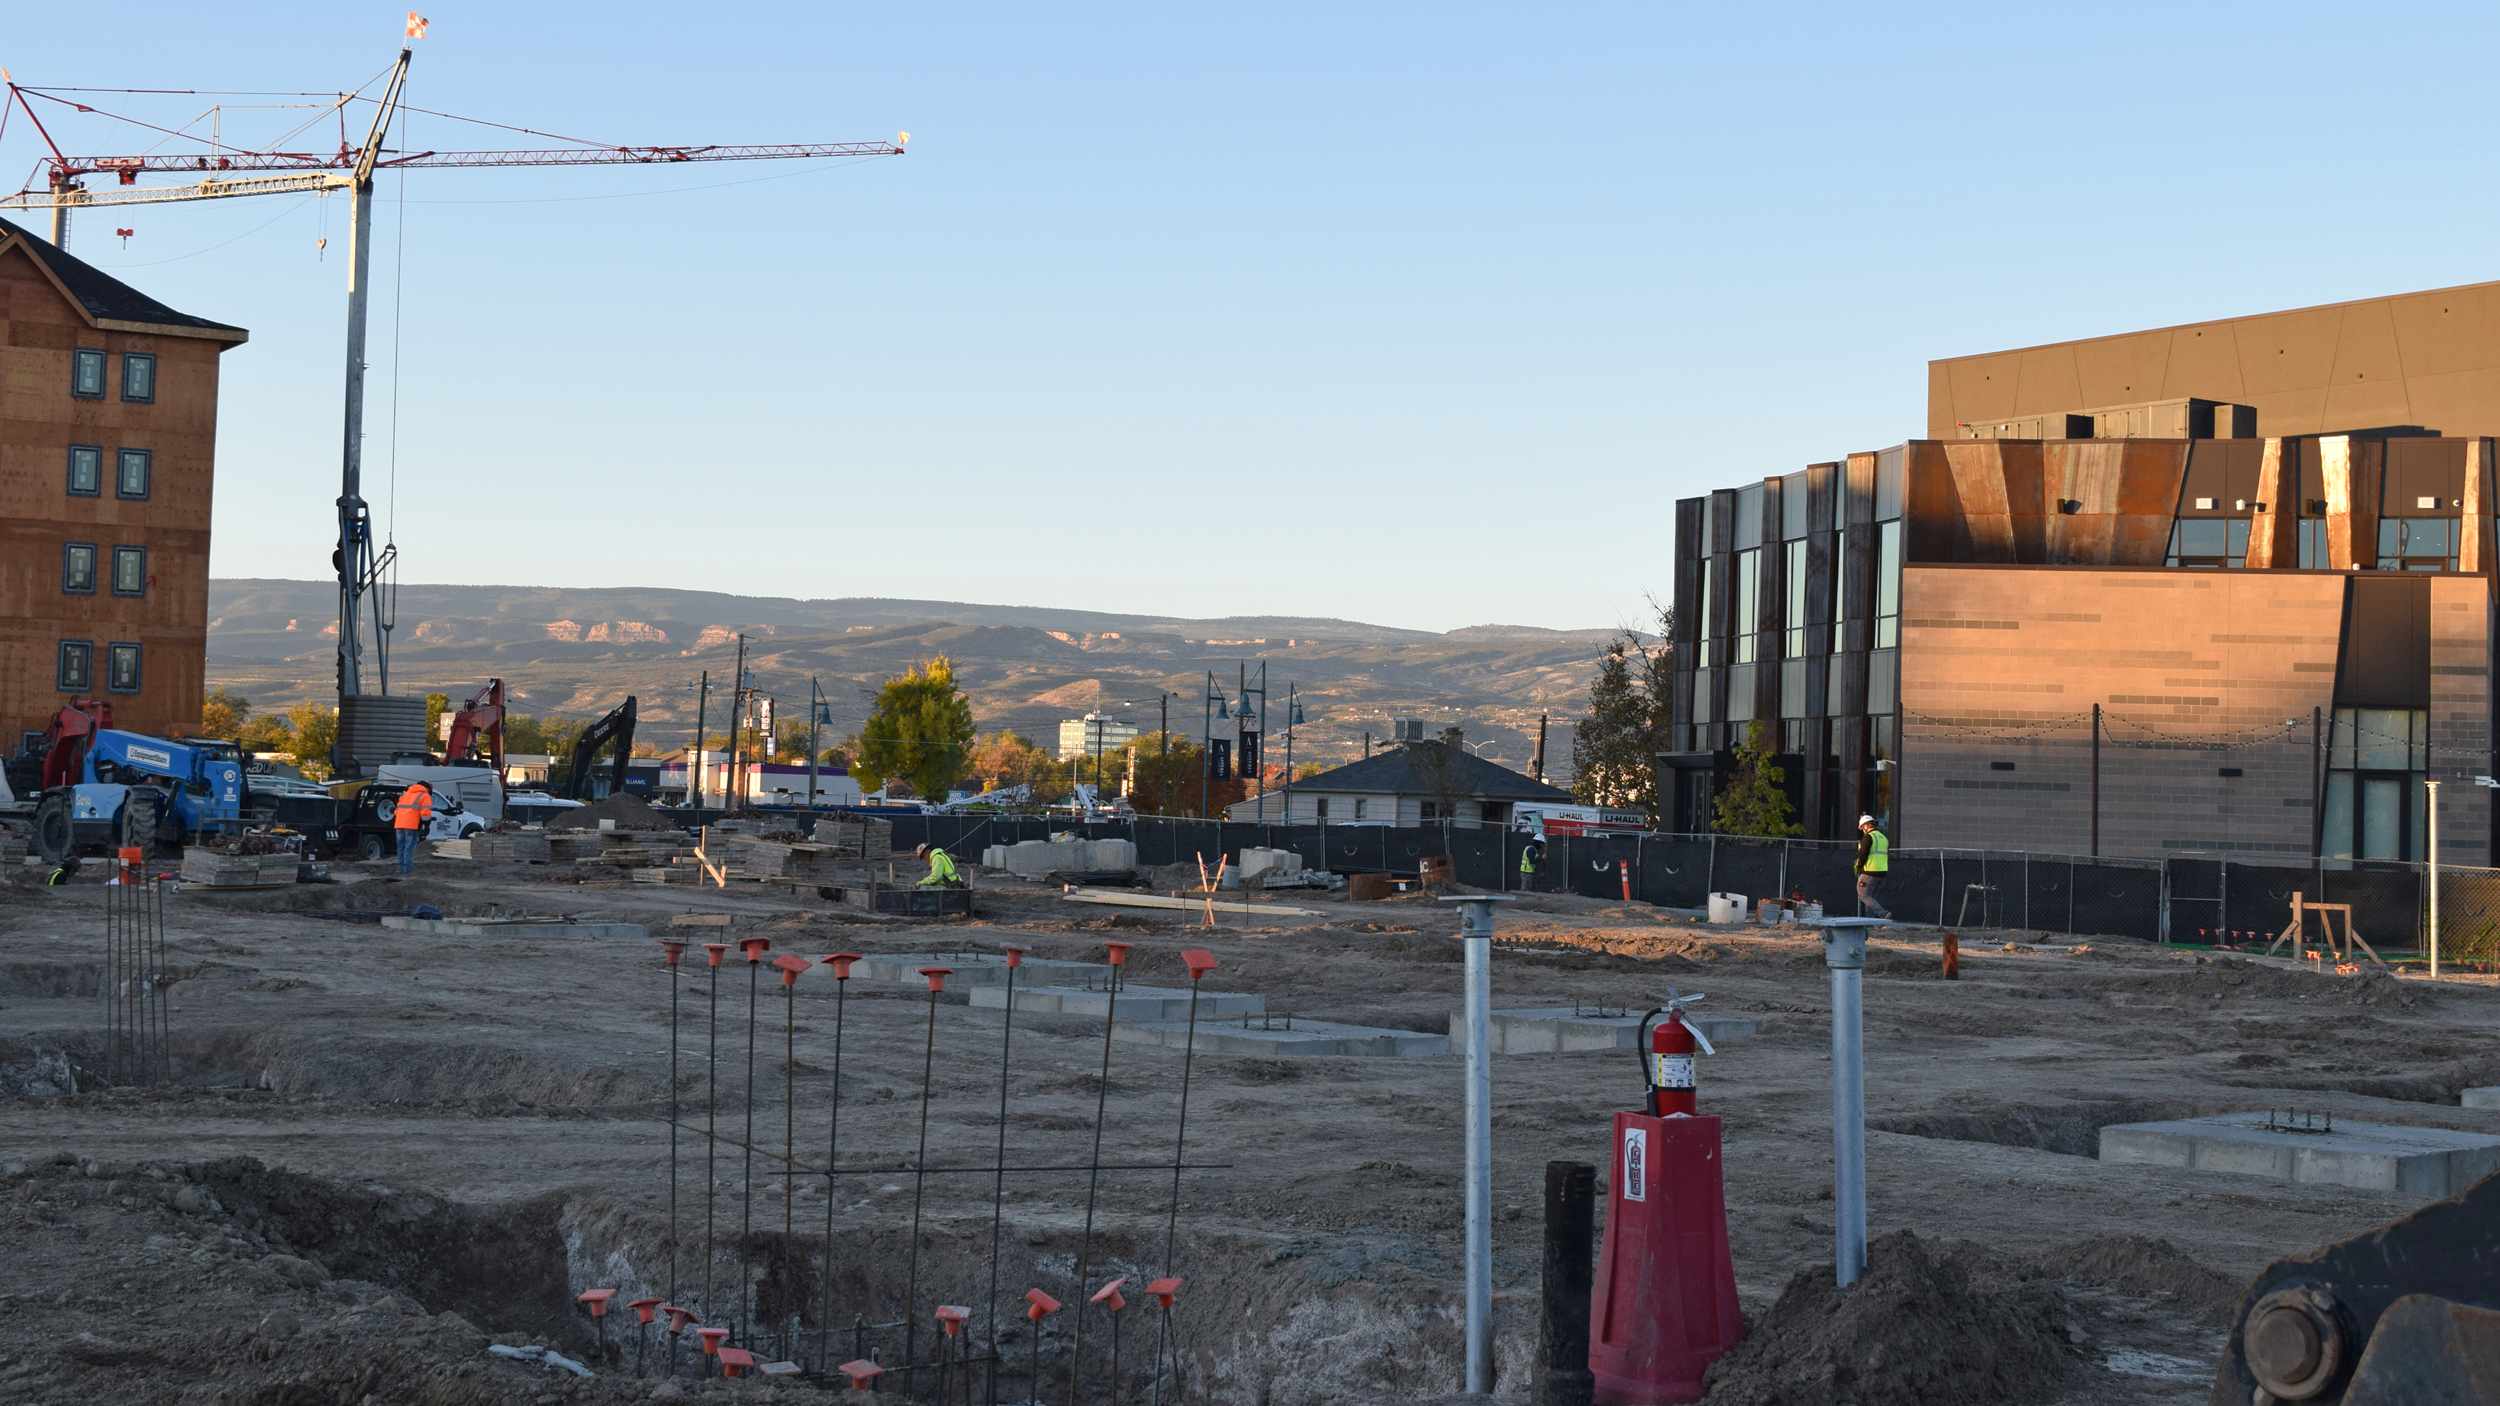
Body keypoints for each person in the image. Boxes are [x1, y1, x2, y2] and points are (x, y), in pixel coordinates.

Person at [1854, 813, 1891, 919]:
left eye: (1862, 828)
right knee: (1871, 898)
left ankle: (1882, 913)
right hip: (1882, 873)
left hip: (1870, 872)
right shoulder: (1884, 838)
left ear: (1865, 826)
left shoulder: (1868, 837)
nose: (1863, 830)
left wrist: (1859, 867)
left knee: (1863, 894)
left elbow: (1862, 854)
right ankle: (1871, 922)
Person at [393, 779, 434, 875]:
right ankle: (407, 871)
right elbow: (425, 813)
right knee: (409, 848)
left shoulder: (405, 794)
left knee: (401, 848)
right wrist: (427, 826)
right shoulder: (425, 795)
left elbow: (397, 811)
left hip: (399, 824)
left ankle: (401, 869)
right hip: (411, 825)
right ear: (427, 788)